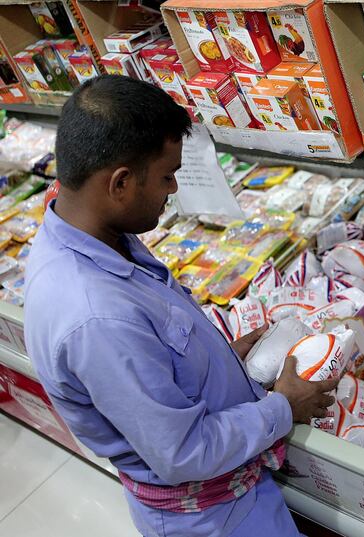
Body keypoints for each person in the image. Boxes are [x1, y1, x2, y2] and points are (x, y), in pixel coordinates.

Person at [23, 75, 336, 537]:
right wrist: (284, 406)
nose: (172, 190)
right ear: (121, 184)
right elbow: (184, 452)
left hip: (231, 491)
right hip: (214, 517)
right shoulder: (94, 316)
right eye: (168, 176)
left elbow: (152, 356)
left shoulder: (98, 234)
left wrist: (221, 360)